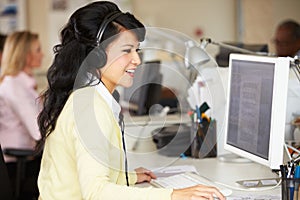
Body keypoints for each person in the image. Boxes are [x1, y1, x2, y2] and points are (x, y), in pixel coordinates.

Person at [36, 1, 225, 200]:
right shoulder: (89, 107)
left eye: (137, 50)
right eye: (127, 51)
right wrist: (173, 195)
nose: (137, 60)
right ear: (97, 56)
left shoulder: (88, 97)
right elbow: (95, 192)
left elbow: (81, 171)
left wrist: (127, 177)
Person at [0, 30, 43, 198]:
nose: (43, 54)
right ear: (25, 55)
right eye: (38, 50)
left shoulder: (23, 83)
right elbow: (38, 131)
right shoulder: (12, 85)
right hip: (19, 165)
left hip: (27, 158)